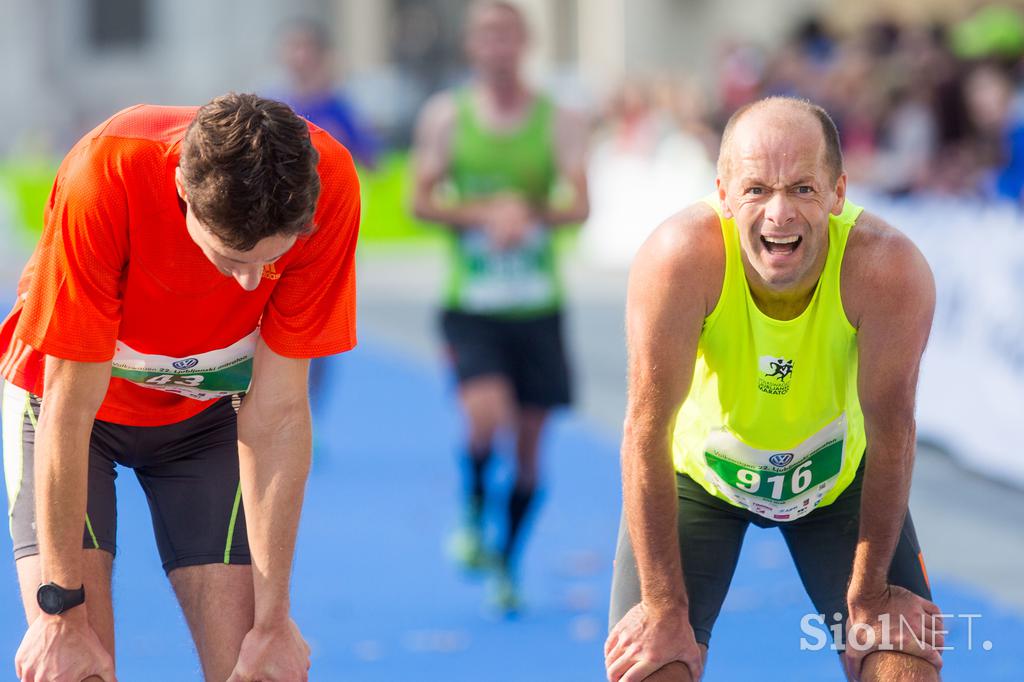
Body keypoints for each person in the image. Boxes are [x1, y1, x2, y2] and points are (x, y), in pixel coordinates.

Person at [0, 93, 360, 681]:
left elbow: (280, 414)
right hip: (72, 411)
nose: (249, 285)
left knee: (255, 665)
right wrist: (59, 615)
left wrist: (274, 621)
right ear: (183, 191)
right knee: (75, 666)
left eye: (269, 262)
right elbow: (70, 409)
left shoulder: (329, 184)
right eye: (229, 258)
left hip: (207, 413)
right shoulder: (106, 172)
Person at [605, 97, 943, 682]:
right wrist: (662, 607)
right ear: (724, 193)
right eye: (757, 189)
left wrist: (869, 597)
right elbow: (644, 432)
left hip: (838, 484)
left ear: (838, 193)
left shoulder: (888, 269)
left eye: (803, 190)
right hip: (700, 481)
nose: (778, 214)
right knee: (651, 665)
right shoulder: (678, 258)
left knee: (903, 661)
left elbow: (894, 437)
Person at [410, 0, 588, 612]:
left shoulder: (558, 119)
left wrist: (529, 214)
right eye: (487, 35)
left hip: (537, 306)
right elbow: (421, 202)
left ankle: (507, 563)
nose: (498, 47)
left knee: (531, 451)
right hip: (474, 302)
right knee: (484, 416)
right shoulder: (447, 118)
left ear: (524, 43)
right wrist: (484, 215)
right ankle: (472, 510)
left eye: (508, 35)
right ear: (472, 47)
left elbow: (580, 205)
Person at [278, 18, 380, 170]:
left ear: (323, 54)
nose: (299, 56)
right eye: (293, 47)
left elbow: (372, 163)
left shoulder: (344, 109)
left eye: (306, 47)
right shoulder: (275, 106)